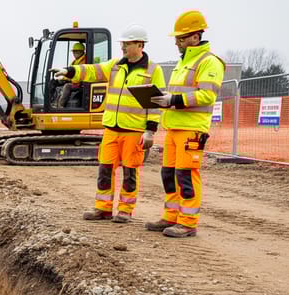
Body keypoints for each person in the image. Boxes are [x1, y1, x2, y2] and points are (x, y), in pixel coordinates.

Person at [52, 24, 165, 223]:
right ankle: (103, 208)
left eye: (127, 44)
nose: (122, 47)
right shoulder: (115, 65)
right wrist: (70, 71)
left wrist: (150, 131)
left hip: (133, 131)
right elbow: (92, 71)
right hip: (111, 129)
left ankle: (125, 211)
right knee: (105, 169)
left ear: (140, 44)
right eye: (122, 44)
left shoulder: (153, 70)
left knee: (130, 173)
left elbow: (155, 104)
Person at [146, 10, 225, 237]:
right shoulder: (184, 63)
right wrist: (165, 99)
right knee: (169, 174)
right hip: (174, 127)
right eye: (176, 38)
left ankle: (188, 222)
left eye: (181, 38)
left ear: (195, 37)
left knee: (187, 175)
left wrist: (173, 99)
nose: (177, 42)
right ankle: (171, 216)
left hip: (191, 129)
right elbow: (181, 93)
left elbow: (206, 95)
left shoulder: (209, 62)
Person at [57, 42, 87, 108]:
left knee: (67, 86)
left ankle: (60, 105)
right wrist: (63, 77)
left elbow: (78, 75)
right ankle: (54, 102)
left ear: (81, 51)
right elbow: (69, 72)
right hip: (74, 80)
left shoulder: (84, 61)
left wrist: (66, 78)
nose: (74, 53)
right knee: (56, 83)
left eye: (76, 52)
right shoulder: (75, 61)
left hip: (80, 83)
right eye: (73, 52)